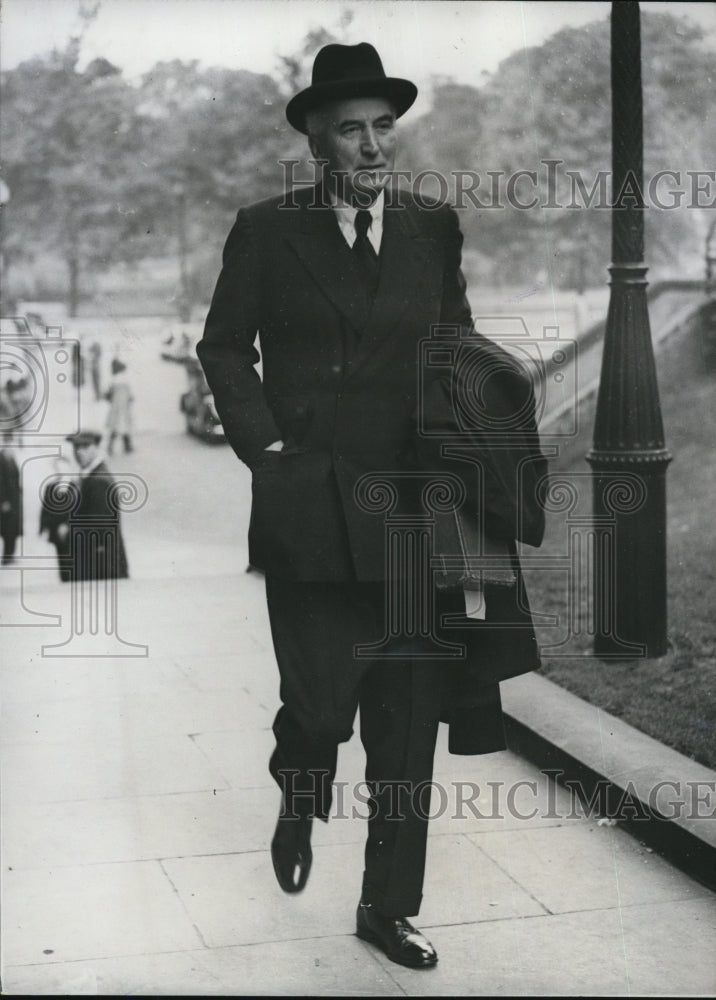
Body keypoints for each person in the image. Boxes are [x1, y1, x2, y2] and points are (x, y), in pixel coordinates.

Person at [197, 42, 545, 970]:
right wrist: (264, 447)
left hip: (417, 521)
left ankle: (387, 907)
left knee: (404, 725)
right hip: (309, 510)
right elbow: (225, 347)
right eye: (350, 130)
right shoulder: (266, 230)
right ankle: (301, 786)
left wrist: (493, 405)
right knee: (317, 710)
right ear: (315, 140)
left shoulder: (433, 226)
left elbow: (456, 342)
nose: (370, 145)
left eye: (382, 128)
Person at [64, 430, 129, 580]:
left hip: (100, 561)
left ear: (96, 448)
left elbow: (99, 526)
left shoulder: (98, 481)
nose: (79, 452)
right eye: (76, 448)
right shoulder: (87, 475)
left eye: (85, 447)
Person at [39, 455, 74, 582]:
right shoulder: (50, 486)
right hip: (55, 527)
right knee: (61, 554)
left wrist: (68, 524)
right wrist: (43, 527)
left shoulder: (74, 485)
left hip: (69, 528)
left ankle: (71, 577)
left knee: (71, 553)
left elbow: (78, 508)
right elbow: (45, 509)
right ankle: (64, 578)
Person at [0, 431, 22, 565]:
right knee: (7, 528)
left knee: (13, 528)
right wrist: (3, 501)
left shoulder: (12, 458)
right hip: (7, 501)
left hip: (14, 500)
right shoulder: (2, 458)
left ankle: (11, 554)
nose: (11, 445)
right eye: (9, 441)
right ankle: (7, 556)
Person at [105, 359, 134, 455]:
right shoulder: (126, 380)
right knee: (125, 427)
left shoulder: (113, 380)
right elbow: (130, 396)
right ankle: (127, 446)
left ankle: (110, 446)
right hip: (124, 408)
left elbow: (108, 395)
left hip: (115, 408)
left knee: (114, 428)